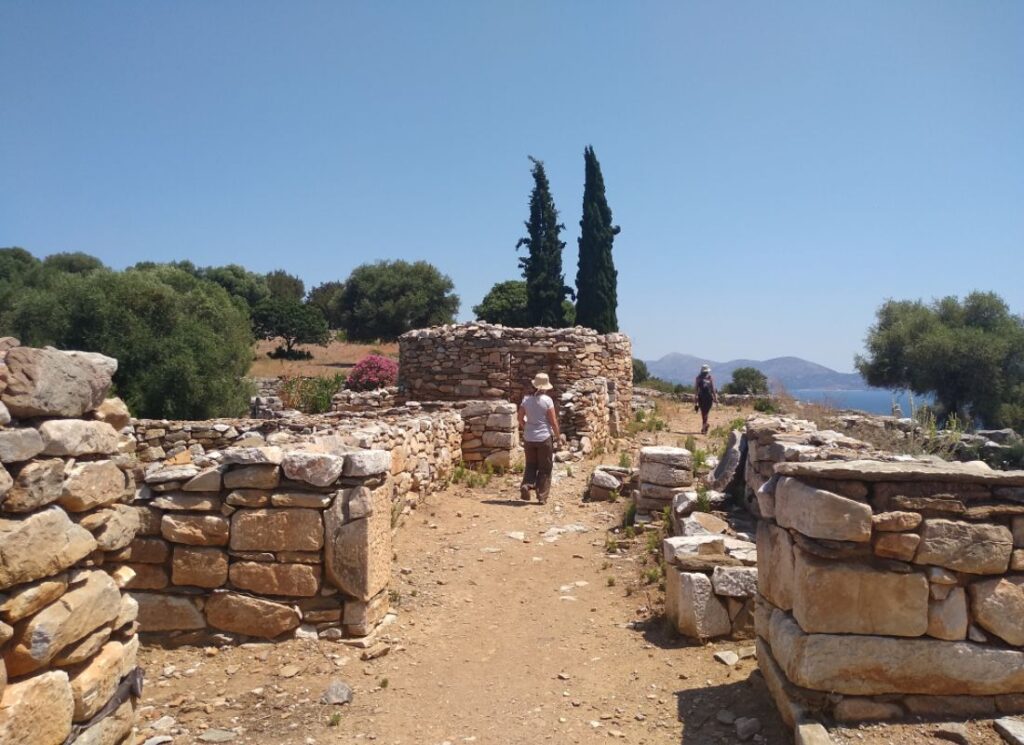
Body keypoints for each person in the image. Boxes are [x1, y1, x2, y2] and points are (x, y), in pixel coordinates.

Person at [518, 372, 561, 504]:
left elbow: (519, 418)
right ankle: (542, 496)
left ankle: (527, 485)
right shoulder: (547, 401)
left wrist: (527, 428)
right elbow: (553, 421)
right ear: (545, 387)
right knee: (545, 467)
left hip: (529, 438)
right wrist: (558, 436)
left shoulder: (526, 400)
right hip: (544, 437)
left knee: (531, 464)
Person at [694, 364, 718, 435]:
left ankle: (704, 426)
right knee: (705, 413)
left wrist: (695, 397)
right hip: (706, 398)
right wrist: (715, 398)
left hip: (704, 397)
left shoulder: (700, 378)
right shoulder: (707, 378)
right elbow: (712, 389)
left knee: (704, 413)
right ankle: (705, 426)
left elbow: (696, 389)